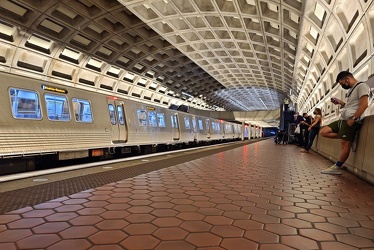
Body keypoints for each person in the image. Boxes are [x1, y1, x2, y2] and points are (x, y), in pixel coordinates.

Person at [320, 71, 370, 175]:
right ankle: (348, 136)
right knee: (323, 132)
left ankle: (337, 166)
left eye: (342, 83)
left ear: (347, 79)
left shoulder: (362, 86)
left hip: (351, 120)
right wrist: (341, 103)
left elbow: (364, 105)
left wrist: (353, 119)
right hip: (343, 119)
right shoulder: (352, 89)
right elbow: (351, 105)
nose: (343, 86)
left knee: (345, 144)